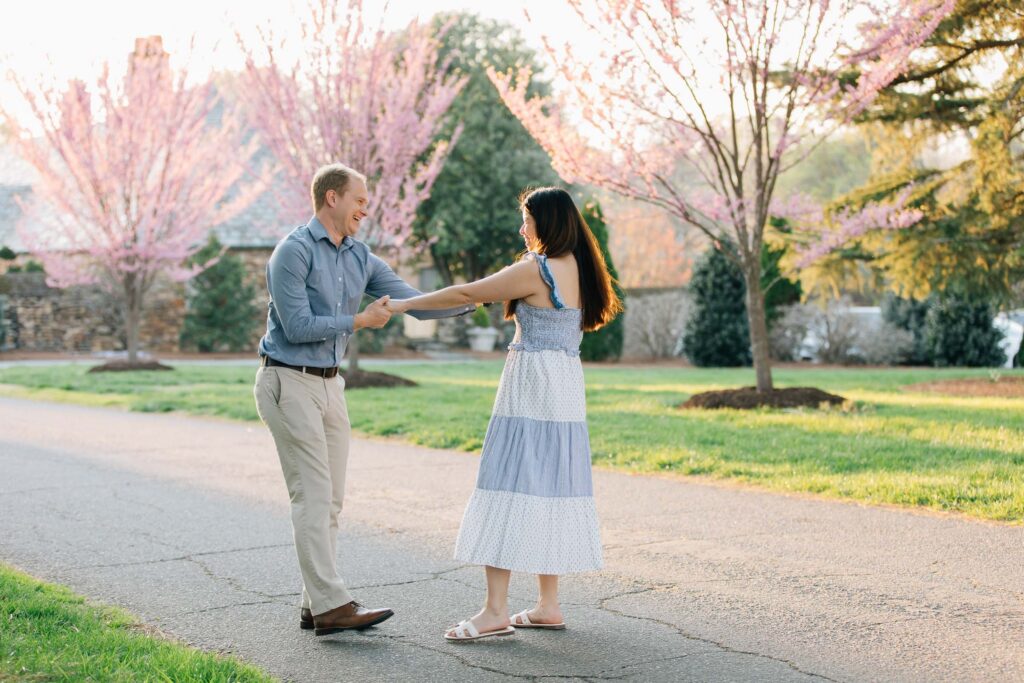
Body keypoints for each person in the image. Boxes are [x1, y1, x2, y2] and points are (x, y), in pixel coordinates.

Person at [387, 186, 622, 642]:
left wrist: (403, 304)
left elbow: (466, 291)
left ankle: (495, 610)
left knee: (508, 482)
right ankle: (547, 605)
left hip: (530, 386)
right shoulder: (581, 267)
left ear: (546, 223)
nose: (522, 228)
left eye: (527, 220)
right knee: (549, 486)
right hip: (566, 392)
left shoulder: (536, 270)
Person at [253, 163, 473, 636]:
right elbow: (297, 327)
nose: (365, 208)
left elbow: (414, 300)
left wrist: (484, 296)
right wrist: (359, 321)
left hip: (331, 386)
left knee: (330, 500)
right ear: (331, 198)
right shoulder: (291, 253)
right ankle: (333, 605)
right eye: (359, 199)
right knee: (311, 494)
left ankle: (316, 604)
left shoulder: (361, 256)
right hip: (287, 382)